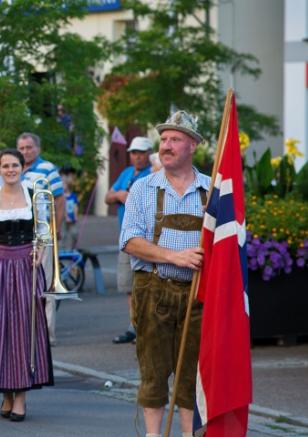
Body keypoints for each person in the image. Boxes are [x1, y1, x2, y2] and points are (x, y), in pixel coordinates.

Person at [120, 111, 208, 437]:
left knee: (190, 374)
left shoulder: (211, 191)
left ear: (193, 145)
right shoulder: (143, 188)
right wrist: (175, 256)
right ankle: (154, 436)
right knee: (153, 372)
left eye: (175, 139)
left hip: (198, 294)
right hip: (153, 289)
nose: (166, 146)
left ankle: (189, 435)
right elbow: (129, 240)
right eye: (164, 139)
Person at [0, 149, 54, 422]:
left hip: (27, 267)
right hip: (0, 266)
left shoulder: (32, 194)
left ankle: (21, 398)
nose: (11, 169)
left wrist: (41, 254)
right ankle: (6, 392)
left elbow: (44, 232)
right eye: (6, 166)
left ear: (22, 167)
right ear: (0, 169)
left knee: (25, 330)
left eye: (15, 165)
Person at [16, 132, 64, 344]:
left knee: (46, 285)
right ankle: (29, 332)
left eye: (29, 147)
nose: (25, 151)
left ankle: (48, 333)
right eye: (22, 148)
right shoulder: (16, 169)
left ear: (38, 148)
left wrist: (56, 230)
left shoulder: (48, 168)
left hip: (44, 236)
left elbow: (59, 200)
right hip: (22, 236)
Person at [107, 137, 154, 345]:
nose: (137, 156)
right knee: (128, 285)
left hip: (145, 238)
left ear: (149, 153)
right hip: (125, 237)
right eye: (134, 152)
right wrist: (119, 194)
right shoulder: (126, 173)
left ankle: (146, 327)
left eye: (141, 152)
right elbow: (107, 197)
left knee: (147, 284)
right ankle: (133, 326)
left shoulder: (154, 173)